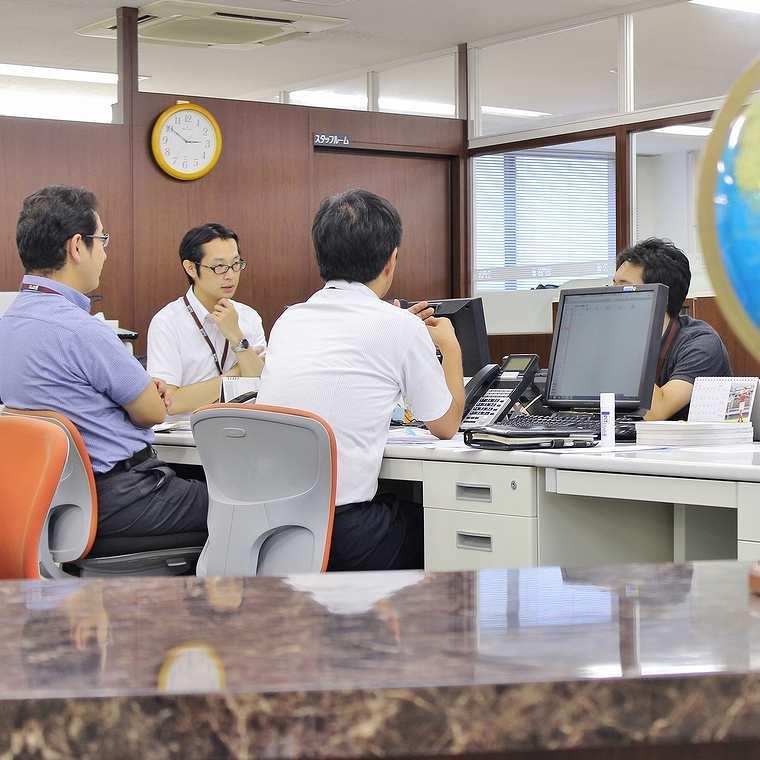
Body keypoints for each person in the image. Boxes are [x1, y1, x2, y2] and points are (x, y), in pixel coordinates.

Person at [256, 189, 464, 571]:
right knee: (439, 527)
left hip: (274, 531)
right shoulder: (398, 326)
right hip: (343, 535)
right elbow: (447, 425)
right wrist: (450, 347)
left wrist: (401, 329)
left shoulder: (289, 320)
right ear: (391, 260)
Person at [0, 185, 207, 539]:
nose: (106, 254)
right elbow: (153, 412)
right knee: (246, 502)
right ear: (77, 246)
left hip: (44, 500)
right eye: (103, 240)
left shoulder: (8, 323)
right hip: (122, 497)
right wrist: (146, 394)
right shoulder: (82, 329)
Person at [148, 223, 266, 419]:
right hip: (186, 439)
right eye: (219, 267)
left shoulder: (249, 317)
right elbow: (169, 402)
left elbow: (261, 383)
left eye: (236, 264)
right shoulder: (167, 322)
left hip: (243, 432)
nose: (230, 275)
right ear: (191, 268)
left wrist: (236, 336)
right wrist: (236, 372)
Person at [613, 237, 731, 421]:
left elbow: (654, 413)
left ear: (660, 296)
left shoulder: (700, 344)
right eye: (612, 285)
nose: (610, 296)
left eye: (623, 287)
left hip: (681, 446)